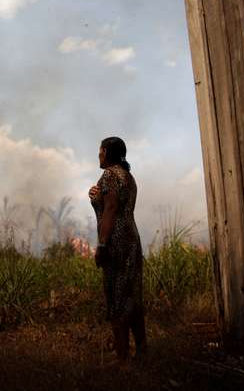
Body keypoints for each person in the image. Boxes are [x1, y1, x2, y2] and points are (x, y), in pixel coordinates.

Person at [88, 136, 146, 363]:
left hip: (116, 241)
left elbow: (111, 210)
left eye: (100, 151)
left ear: (106, 152)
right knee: (132, 295)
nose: (99, 155)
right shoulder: (128, 177)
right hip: (132, 239)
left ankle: (123, 357)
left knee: (117, 297)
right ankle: (142, 349)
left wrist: (102, 245)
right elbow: (115, 206)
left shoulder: (110, 175)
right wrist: (97, 199)